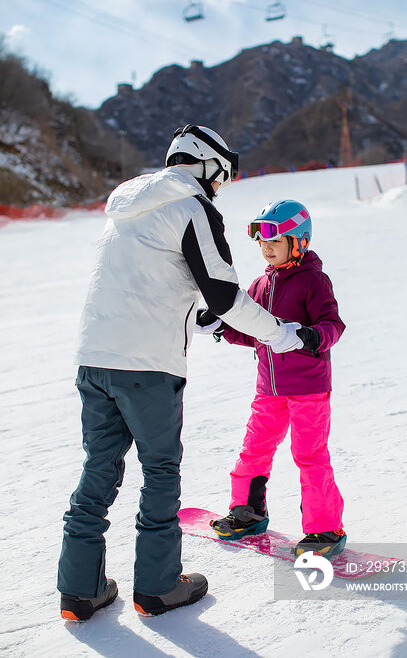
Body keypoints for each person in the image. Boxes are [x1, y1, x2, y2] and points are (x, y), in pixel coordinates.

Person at [57, 125, 309, 621]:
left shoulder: (126, 210)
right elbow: (224, 294)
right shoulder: (194, 207)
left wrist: (198, 312)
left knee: (97, 468)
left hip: (94, 359)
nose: (220, 187)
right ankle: (158, 587)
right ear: (207, 165)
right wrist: (279, 333)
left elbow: (154, 282)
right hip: (147, 368)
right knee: (160, 471)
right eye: (221, 176)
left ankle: (79, 591)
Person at [207, 199, 347, 558]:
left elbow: (332, 326)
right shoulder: (259, 285)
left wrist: (307, 336)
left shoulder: (314, 281)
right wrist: (220, 325)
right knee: (254, 448)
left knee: (309, 455)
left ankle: (324, 529)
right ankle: (248, 512)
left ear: (299, 241)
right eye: (262, 240)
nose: (266, 247)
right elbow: (250, 333)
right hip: (268, 389)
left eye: (275, 239)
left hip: (308, 390)